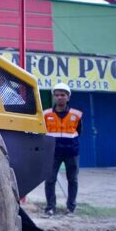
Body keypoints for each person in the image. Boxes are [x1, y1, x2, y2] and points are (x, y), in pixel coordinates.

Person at [43, 82, 82, 216]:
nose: (60, 97)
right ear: (54, 97)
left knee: (73, 180)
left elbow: (79, 131)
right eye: (57, 95)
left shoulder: (77, 115)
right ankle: (50, 208)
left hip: (72, 152)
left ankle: (71, 208)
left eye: (63, 95)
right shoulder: (46, 114)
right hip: (53, 153)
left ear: (68, 97)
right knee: (49, 180)